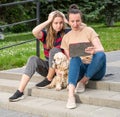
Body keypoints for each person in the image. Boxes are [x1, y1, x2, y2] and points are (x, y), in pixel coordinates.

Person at [9, 10, 70, 102]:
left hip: (63, 69)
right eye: (56, 23)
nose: (59, 25)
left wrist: (66, 20)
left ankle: (49, 79)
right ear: (51, 23)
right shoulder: (45, 34)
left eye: (61, 23)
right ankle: (19, 91)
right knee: (33, 59)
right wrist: (48, 20)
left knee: (54, 50)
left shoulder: (66, 32)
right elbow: (34, 31)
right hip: (49, 67)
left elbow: (82, 28)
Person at [61, 4, 106, 109]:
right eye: (72, 21)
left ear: (81, 19)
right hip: (80, 69)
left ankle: (83, 81)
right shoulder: (66, 38)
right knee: (74, 57)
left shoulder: (89, 31)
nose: (75, 24)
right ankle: (71, 96)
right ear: (68, 21)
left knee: (100, 54)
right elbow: (69, 59)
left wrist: (94, 51)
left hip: (95, 69)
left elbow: (101, 49)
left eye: (78, 21)